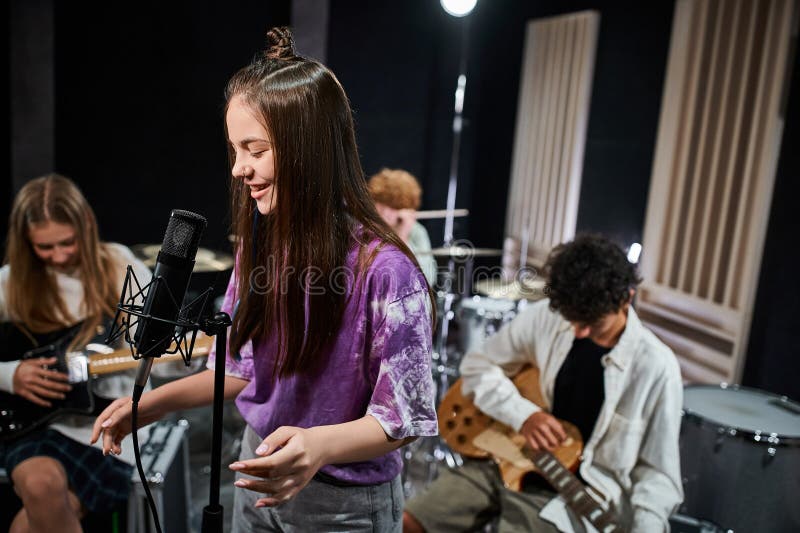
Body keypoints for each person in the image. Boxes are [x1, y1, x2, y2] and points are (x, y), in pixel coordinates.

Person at [92, 27, 438, 532]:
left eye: (255, 149)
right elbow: (242, 369)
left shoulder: (387, 271)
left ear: (310, 148)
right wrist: (149, 405)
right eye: (235, 150)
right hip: (256, 474)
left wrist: (318, 445)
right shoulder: (265, 247)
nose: (239, 169)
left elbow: (402, 417)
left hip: (342, 501)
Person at [404, 234, 683, 532]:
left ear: (627, 298)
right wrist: (523, 415)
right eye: (574, 320)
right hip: (503, 457)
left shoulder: (657, 368)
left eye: (593, 323)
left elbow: (659, 475)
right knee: (408, 523)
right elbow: (477, 365)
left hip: (568, 495)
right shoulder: (547, 318)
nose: (579, 332)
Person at [0, 174, 152, 533]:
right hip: (33, 425)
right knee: (40, 484)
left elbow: (153, 354)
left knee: (29, 524)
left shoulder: (118, 264)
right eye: (44, 248)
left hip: (107, 428)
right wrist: (10, 375)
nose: (59, 256)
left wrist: (185, 354)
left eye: (67, 242)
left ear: (85, 225)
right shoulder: (11, 282)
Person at [368, 168, 437, 286]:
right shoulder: (366, 230)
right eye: (382, 203)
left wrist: (402, 236)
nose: (386, 211)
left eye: (394, 206)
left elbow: (428, 279)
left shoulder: (416, 231)